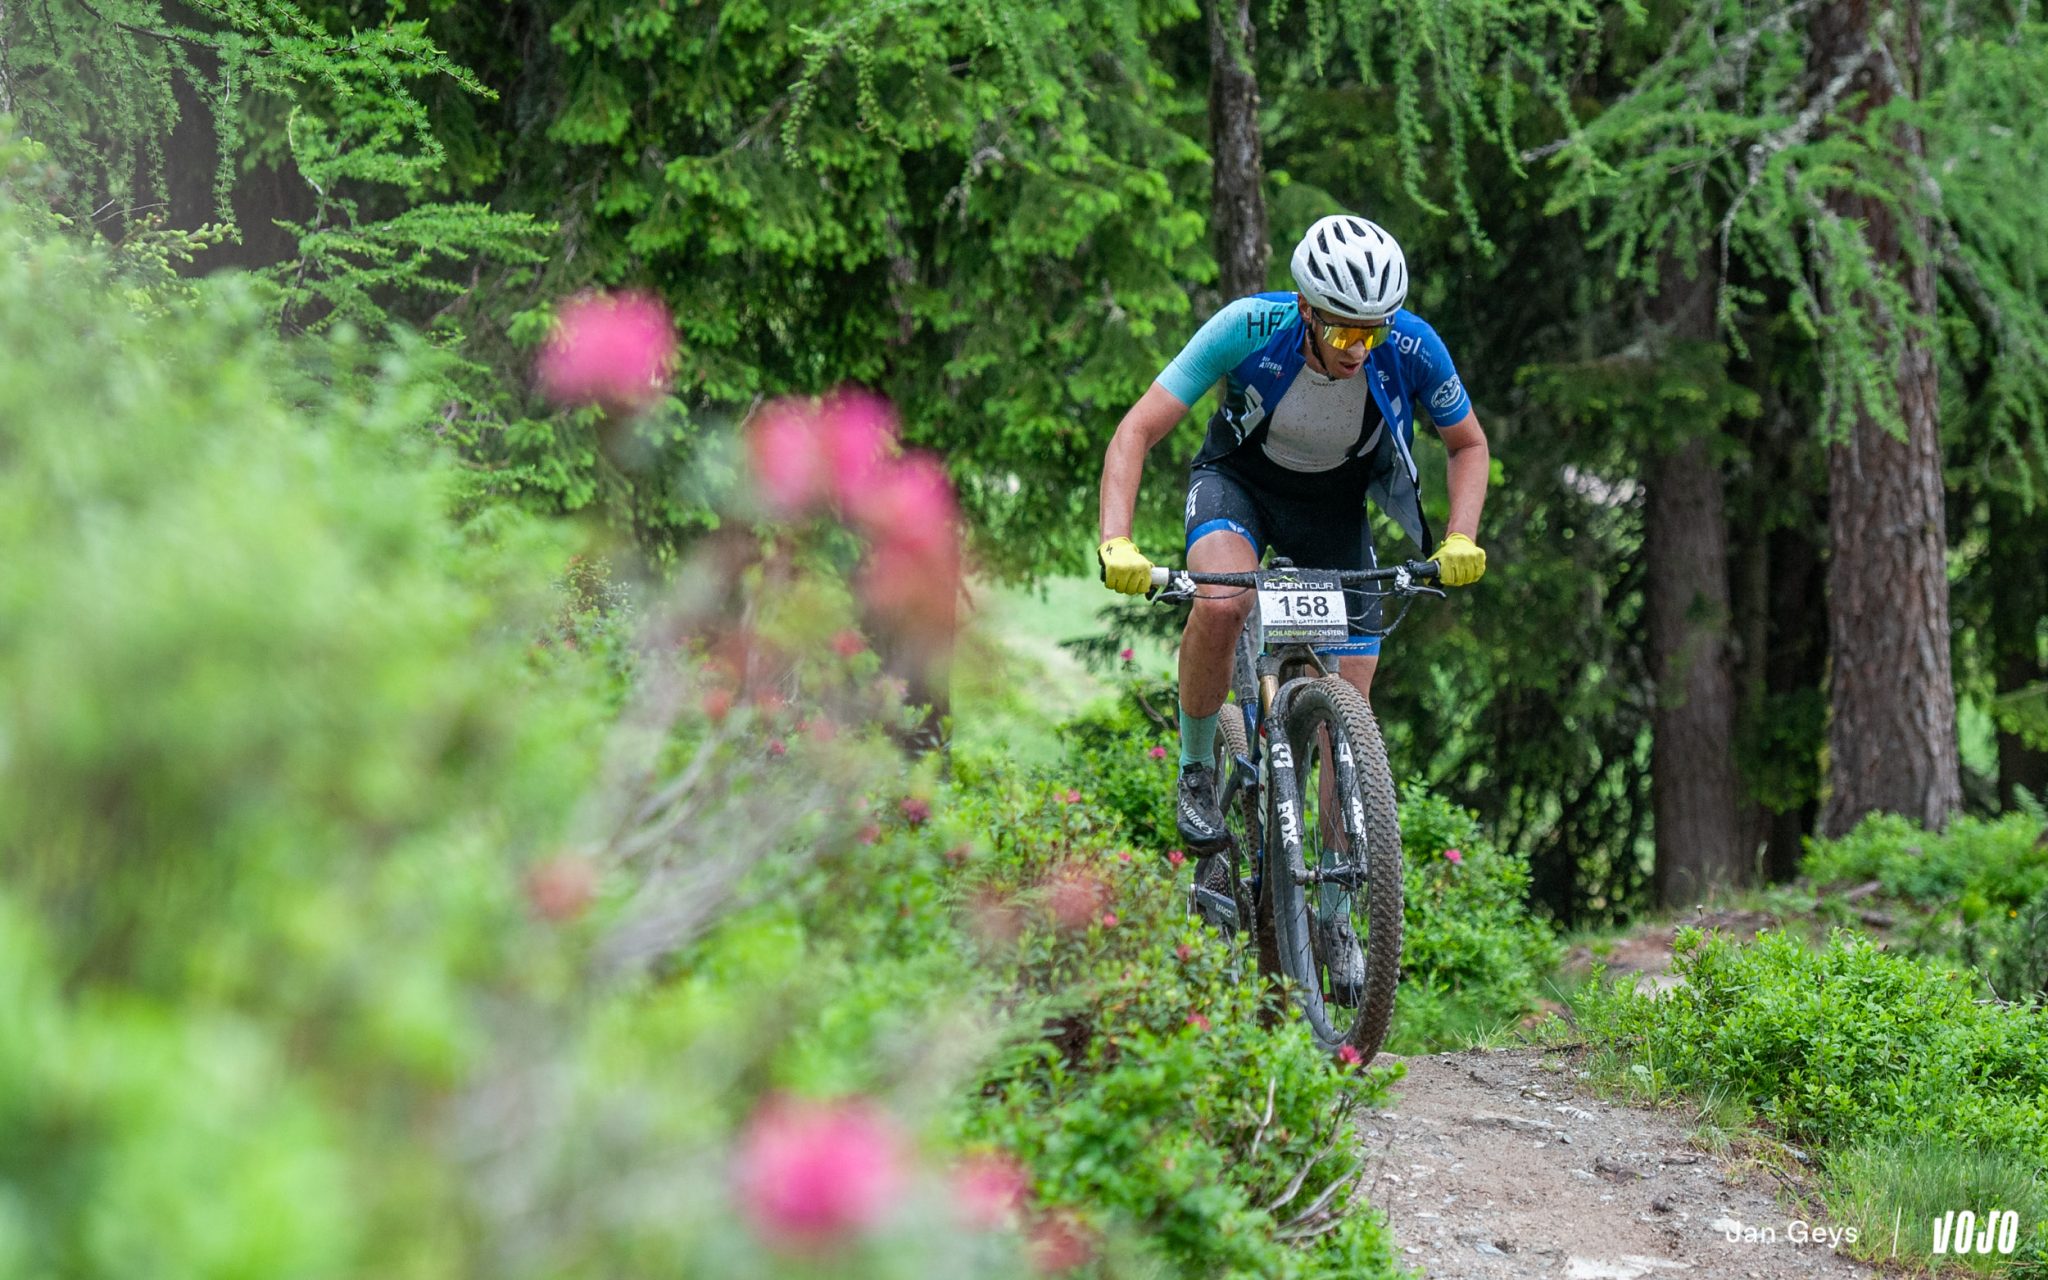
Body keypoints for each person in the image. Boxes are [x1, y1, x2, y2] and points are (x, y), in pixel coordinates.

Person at [1095, 214, 1491, 858]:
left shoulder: (1413, 344)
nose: (1358, 348)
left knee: (1351, 716)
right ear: (1305, 307)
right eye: (1341, 328)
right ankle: (1196, 771)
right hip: (1238, 487)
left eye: (1373, 329)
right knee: (1223, 604)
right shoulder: (1247, 326)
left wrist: (1460, 536)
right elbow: (1135, 430)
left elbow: (1468, 444)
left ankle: (1340, 911)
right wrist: (1118, 538)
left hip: (1333, 508)